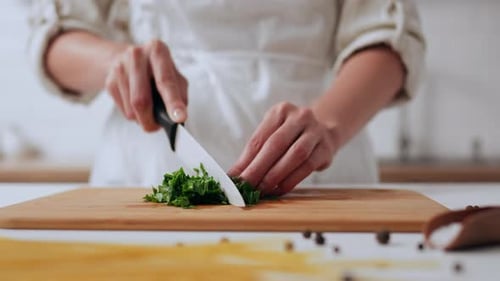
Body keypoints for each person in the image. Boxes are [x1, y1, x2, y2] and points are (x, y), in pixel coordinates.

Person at [28, 0, 425, 195]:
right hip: (148, 163)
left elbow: (388, 33)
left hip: (317, 164)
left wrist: (330, 126)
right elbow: (55, 34)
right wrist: (115, 61)